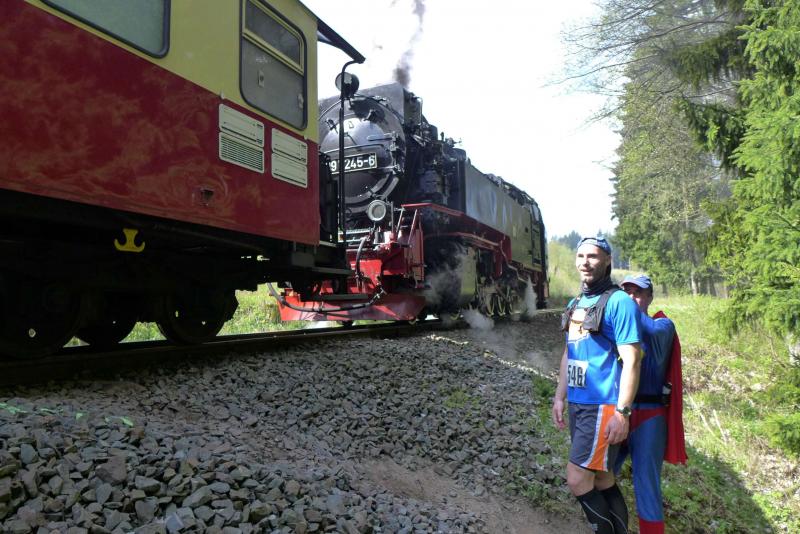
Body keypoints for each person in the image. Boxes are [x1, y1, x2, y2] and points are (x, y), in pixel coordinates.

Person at [552, 237, 643, 534]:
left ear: (607, 260)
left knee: (577, 479)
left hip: (602, 406)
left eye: (592, 256)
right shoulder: (576, 303)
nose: (585, 262)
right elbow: (569, 353)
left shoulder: (619, 302)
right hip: (580, 403)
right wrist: (560, 397)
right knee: (602, 478)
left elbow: (632, 360)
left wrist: (622, 413)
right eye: (580, 256)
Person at [615, 274, 687, 534]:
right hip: (619, 413)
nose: (631, 297)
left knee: (646, 486)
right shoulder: (620, 327)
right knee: (600, 474)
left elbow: (651, 330)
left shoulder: (663, 325)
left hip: (649, 417)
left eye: (637, 293)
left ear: (649, 297)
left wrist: (623, 306)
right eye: (627, 292)